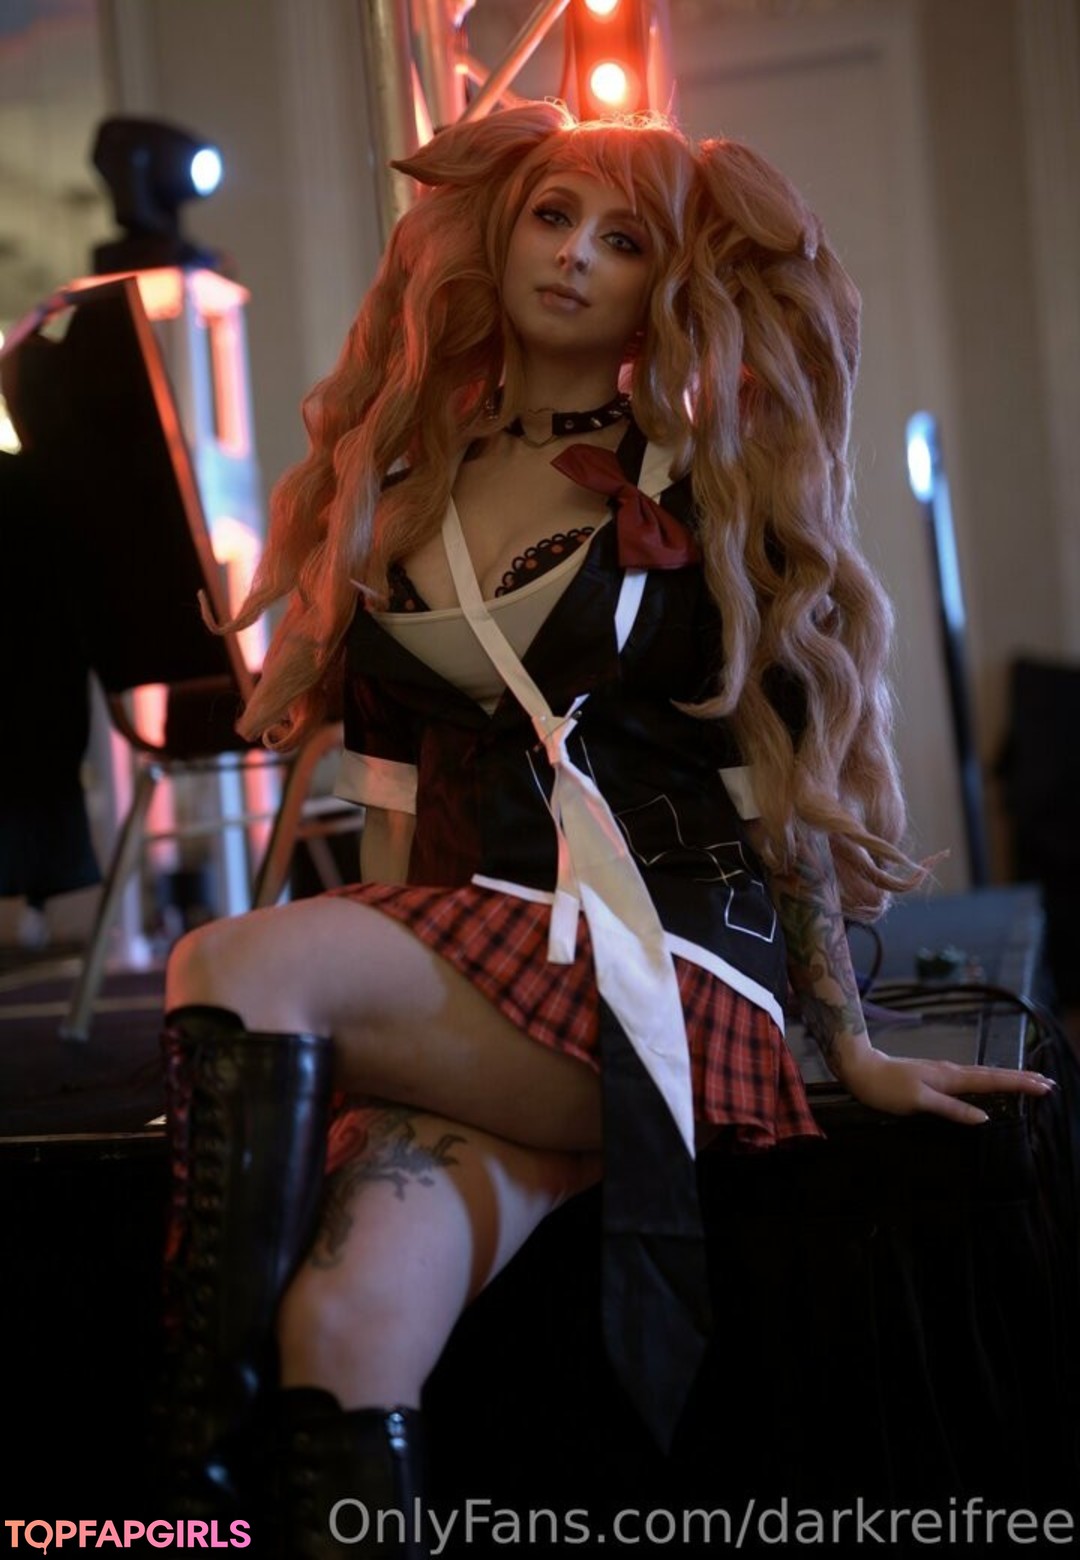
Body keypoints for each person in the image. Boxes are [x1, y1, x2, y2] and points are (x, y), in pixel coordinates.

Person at [157, 101, 1055, 1556]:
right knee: (346, 1322)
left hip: (667, 969)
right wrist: (370, 1008)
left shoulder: (704, 487)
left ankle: (184, 1476)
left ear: (666, 286)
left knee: (230, 963)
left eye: (623, 240)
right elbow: (398, 805)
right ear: (496, 237)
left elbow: (775, 784)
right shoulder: (406, 489)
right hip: (486, 983)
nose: (575, 256)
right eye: (552, 216)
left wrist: (848, 1046)